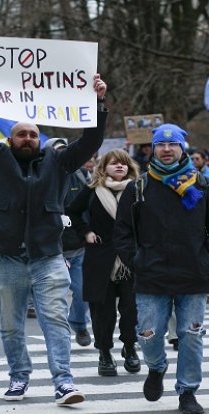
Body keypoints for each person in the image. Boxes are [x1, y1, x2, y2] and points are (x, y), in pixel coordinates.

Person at [0, 62, 107, 405]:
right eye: (22, 134)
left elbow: (91, 140)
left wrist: (98, 103)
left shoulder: (59, 162)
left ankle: (64, 382)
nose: (27, 138)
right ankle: (18, 378)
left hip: (47, 257)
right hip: (5, 257)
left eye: (33, 134)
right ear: (10, 139)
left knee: (56, 321)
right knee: (11, 325)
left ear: (40, 140)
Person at [113, 123, 209, 414]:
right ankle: (156, 367)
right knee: (148, 334)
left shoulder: (202, 186)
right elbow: (123, 233)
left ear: (182, 148)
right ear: (153, 148)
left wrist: (207, 261)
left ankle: (187, 391)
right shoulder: (137, 188)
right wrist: (137, 261)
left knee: (191, 337)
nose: (167, 149)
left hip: (193, 276)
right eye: (161, 145)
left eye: (173, 144)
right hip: (151, 275)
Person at [66, 149, 141, 376]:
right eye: (114, 163)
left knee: (131, 309)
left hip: (130, 259)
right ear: (103, 167)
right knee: (103, 312)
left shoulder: (138, 189)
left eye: (124, 163)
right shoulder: (92, 191)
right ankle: (105, 354)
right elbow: (72, 212)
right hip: (100, 257)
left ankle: (130, 348)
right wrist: (85, 232)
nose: (120, 167)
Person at [48, 138, 92, 348]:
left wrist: (89, 233)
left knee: (82, 289)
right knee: (54, 295)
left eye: (65, 152)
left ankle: (79, 324)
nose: (62, 156)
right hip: (51, 251)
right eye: (57, 152)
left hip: (78, 247)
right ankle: (56, 336)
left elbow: (89, 210)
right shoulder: (40, 178)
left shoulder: (83, 177)